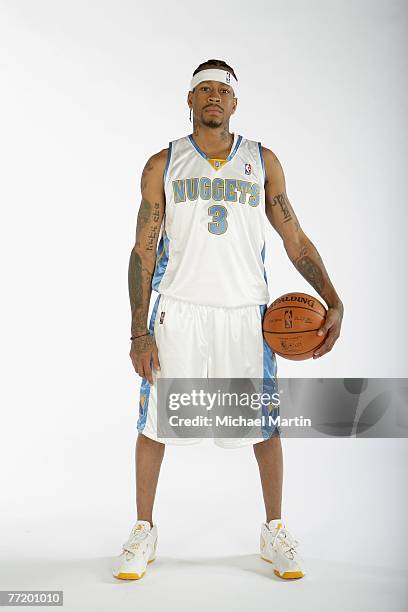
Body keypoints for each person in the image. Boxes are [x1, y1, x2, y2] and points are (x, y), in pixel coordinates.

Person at [112, 59, 344, 581]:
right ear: (189, 101)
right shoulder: (163, 164)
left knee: (265, 425)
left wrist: (332, 296)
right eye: (204, 90)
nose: (213, 96)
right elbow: (143, 253)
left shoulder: (261, 162)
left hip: (246, 314)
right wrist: (138, 329)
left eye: (223, 90)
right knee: (154, 425)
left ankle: (274, 530)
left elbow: (295, 239)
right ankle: (143, 530)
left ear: (235, 103)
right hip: (178, 311)